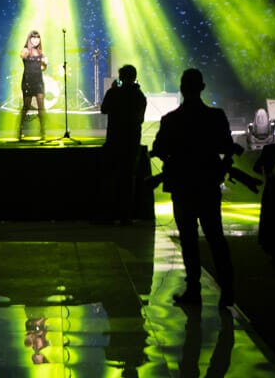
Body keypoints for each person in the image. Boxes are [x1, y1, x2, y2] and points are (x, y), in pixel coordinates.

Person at [151, 68, 238, 308]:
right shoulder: (216, 116)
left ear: (181, 89)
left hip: (182, 186)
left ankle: (193, 291)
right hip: (208, 184)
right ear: (202, 88)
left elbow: (159, 149)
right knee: (216, 237)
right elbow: (227, 147)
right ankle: (227, 289)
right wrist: (221, 168)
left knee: (188, 240)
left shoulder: (171, 120)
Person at [100, 64, 147, 222]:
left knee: (111, 176)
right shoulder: (139, 96)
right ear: (134, 77)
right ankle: (126, 215)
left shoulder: (113, 93)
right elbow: (140, 119)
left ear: (120, 78)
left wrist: (113, 90)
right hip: (132, 140)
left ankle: (108, 215)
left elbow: (104, 109)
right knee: (128, 178)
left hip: (114, 139)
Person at [18, 30, 48, 140]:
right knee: (26, 106)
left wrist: (45, 63)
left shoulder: (41, 52)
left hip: (38, 80)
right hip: (28, 80)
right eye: (33, 37)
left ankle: (43, 130)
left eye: (38, 38)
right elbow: (22, 55)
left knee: (41, 107)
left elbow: (43, 68)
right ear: (29, 39)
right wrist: (29, 50)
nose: (36, 40)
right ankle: (20, 129)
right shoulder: (26, 50)